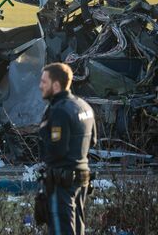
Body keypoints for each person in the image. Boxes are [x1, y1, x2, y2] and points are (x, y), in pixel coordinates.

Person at [38, 62, 96, 235]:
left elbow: (57, 150)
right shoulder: (84, 106)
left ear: (56, 85)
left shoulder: (59, 111)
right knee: (78, 228)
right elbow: (92, 141)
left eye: (44, 82)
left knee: (62, 229)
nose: (40, 86)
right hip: (82, 176)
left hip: (62, 180)